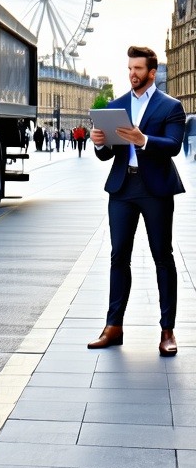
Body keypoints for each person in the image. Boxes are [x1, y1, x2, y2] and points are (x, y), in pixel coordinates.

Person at [87, 46, 186, 356]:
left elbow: (173, 146)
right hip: (122, 188)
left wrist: (142, 139)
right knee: (119, 256)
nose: (133, 73)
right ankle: (113, 327)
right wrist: (99, 143)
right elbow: (106, 154)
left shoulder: (171, 107)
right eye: (130, 68)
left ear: (151, 73)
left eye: (139, 69)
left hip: (155, 189)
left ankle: (167, 331)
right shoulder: (116, 106)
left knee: (162, 256)